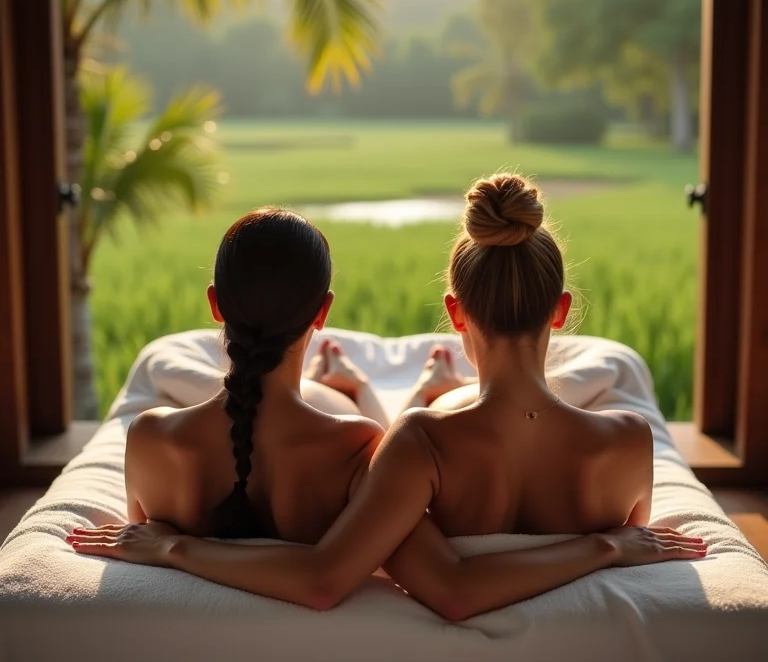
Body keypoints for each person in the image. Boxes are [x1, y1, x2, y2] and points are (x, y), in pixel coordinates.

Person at [69, 181, 706, 620]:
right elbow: (627, 538)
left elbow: (151, 534)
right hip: (385, 430)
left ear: (455, 314)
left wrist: (174, 548)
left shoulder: (149, 438)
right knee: (358, 410)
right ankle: (360, 385)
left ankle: (356, 384)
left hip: (400, 430)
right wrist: (609, 547)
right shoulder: (628, 440)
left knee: (378, 409)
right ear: (561, 312)